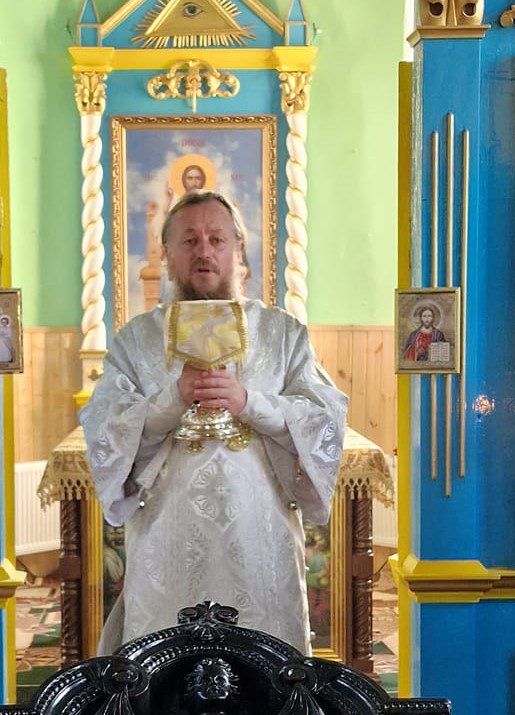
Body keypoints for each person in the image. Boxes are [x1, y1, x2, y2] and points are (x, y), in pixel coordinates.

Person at [81, 190, 346, 653]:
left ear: (238, 250)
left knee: (264, 666)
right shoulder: (136, 340)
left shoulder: (282, 333)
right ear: (167, 253)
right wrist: (171, 400)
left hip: (258, 538)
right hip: (168, 538)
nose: (204, 251)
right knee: (163, 665)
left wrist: (250, 403)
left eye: (217, 239)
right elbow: (105, 426)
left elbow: (325, 418)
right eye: (189, 240)